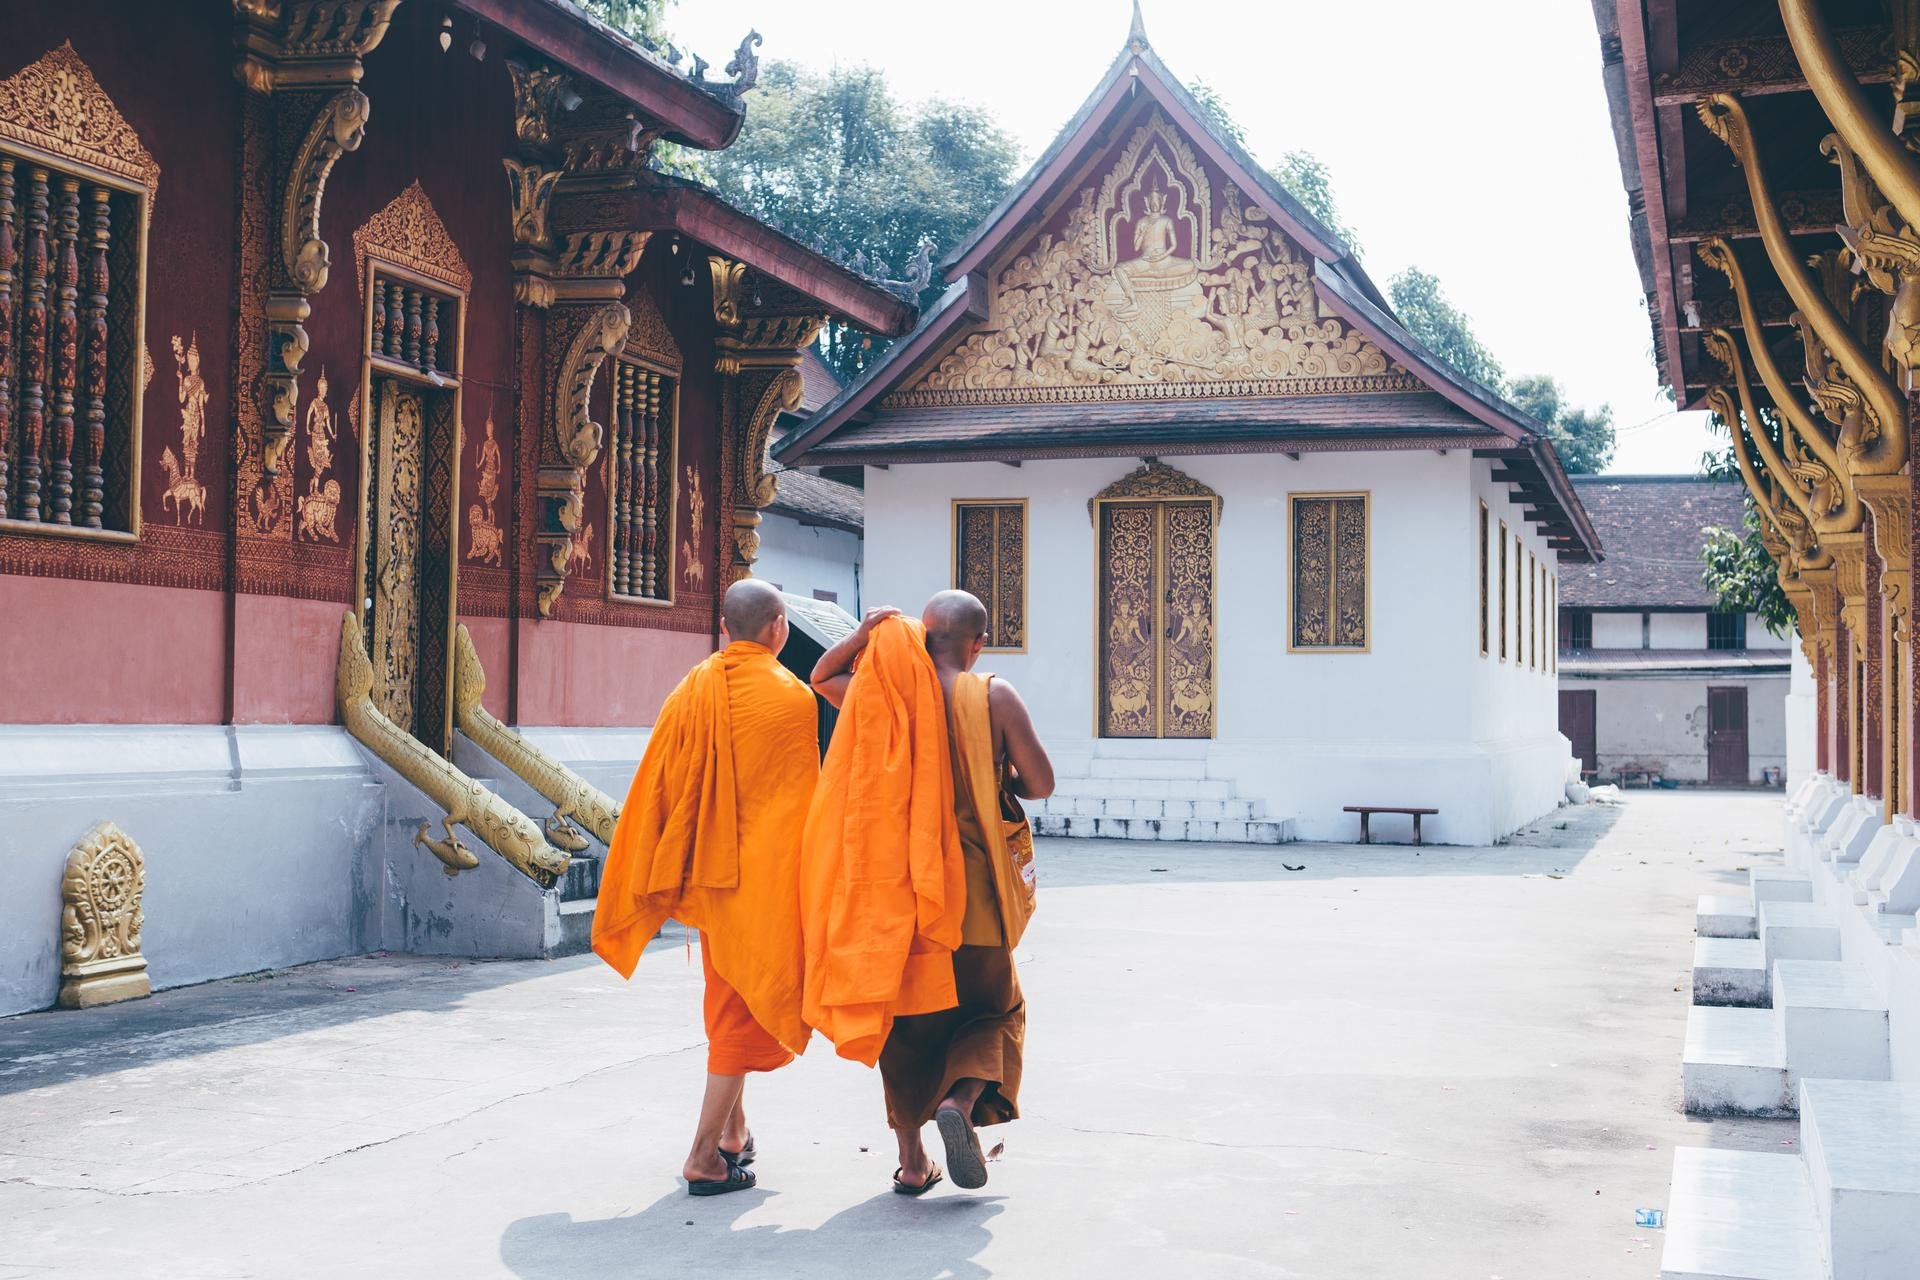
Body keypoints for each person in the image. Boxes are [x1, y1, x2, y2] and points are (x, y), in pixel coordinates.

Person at [809, 591, 1055, 1195]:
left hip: (901, 893)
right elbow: (1041, 783)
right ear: (977, 644)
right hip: (974, 895)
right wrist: (997, 776)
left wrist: (864, 636)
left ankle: (914, 1162)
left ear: (924, 634)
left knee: (909, 1029)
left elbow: (822, 677)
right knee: (995, 1010)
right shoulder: (993, 694)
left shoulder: (880, 692)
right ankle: (962, 1101)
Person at [593, 578, 817, 1196]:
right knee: (739, 1016)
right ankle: (702, 1155)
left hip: (708, 879)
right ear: (778, 629)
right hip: (760, 884)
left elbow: (664, 786)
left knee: (729, 1004)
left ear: (725, 628)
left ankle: (732, 1136)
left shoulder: (690, 690)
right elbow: (798, 809)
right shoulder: (793, 700)